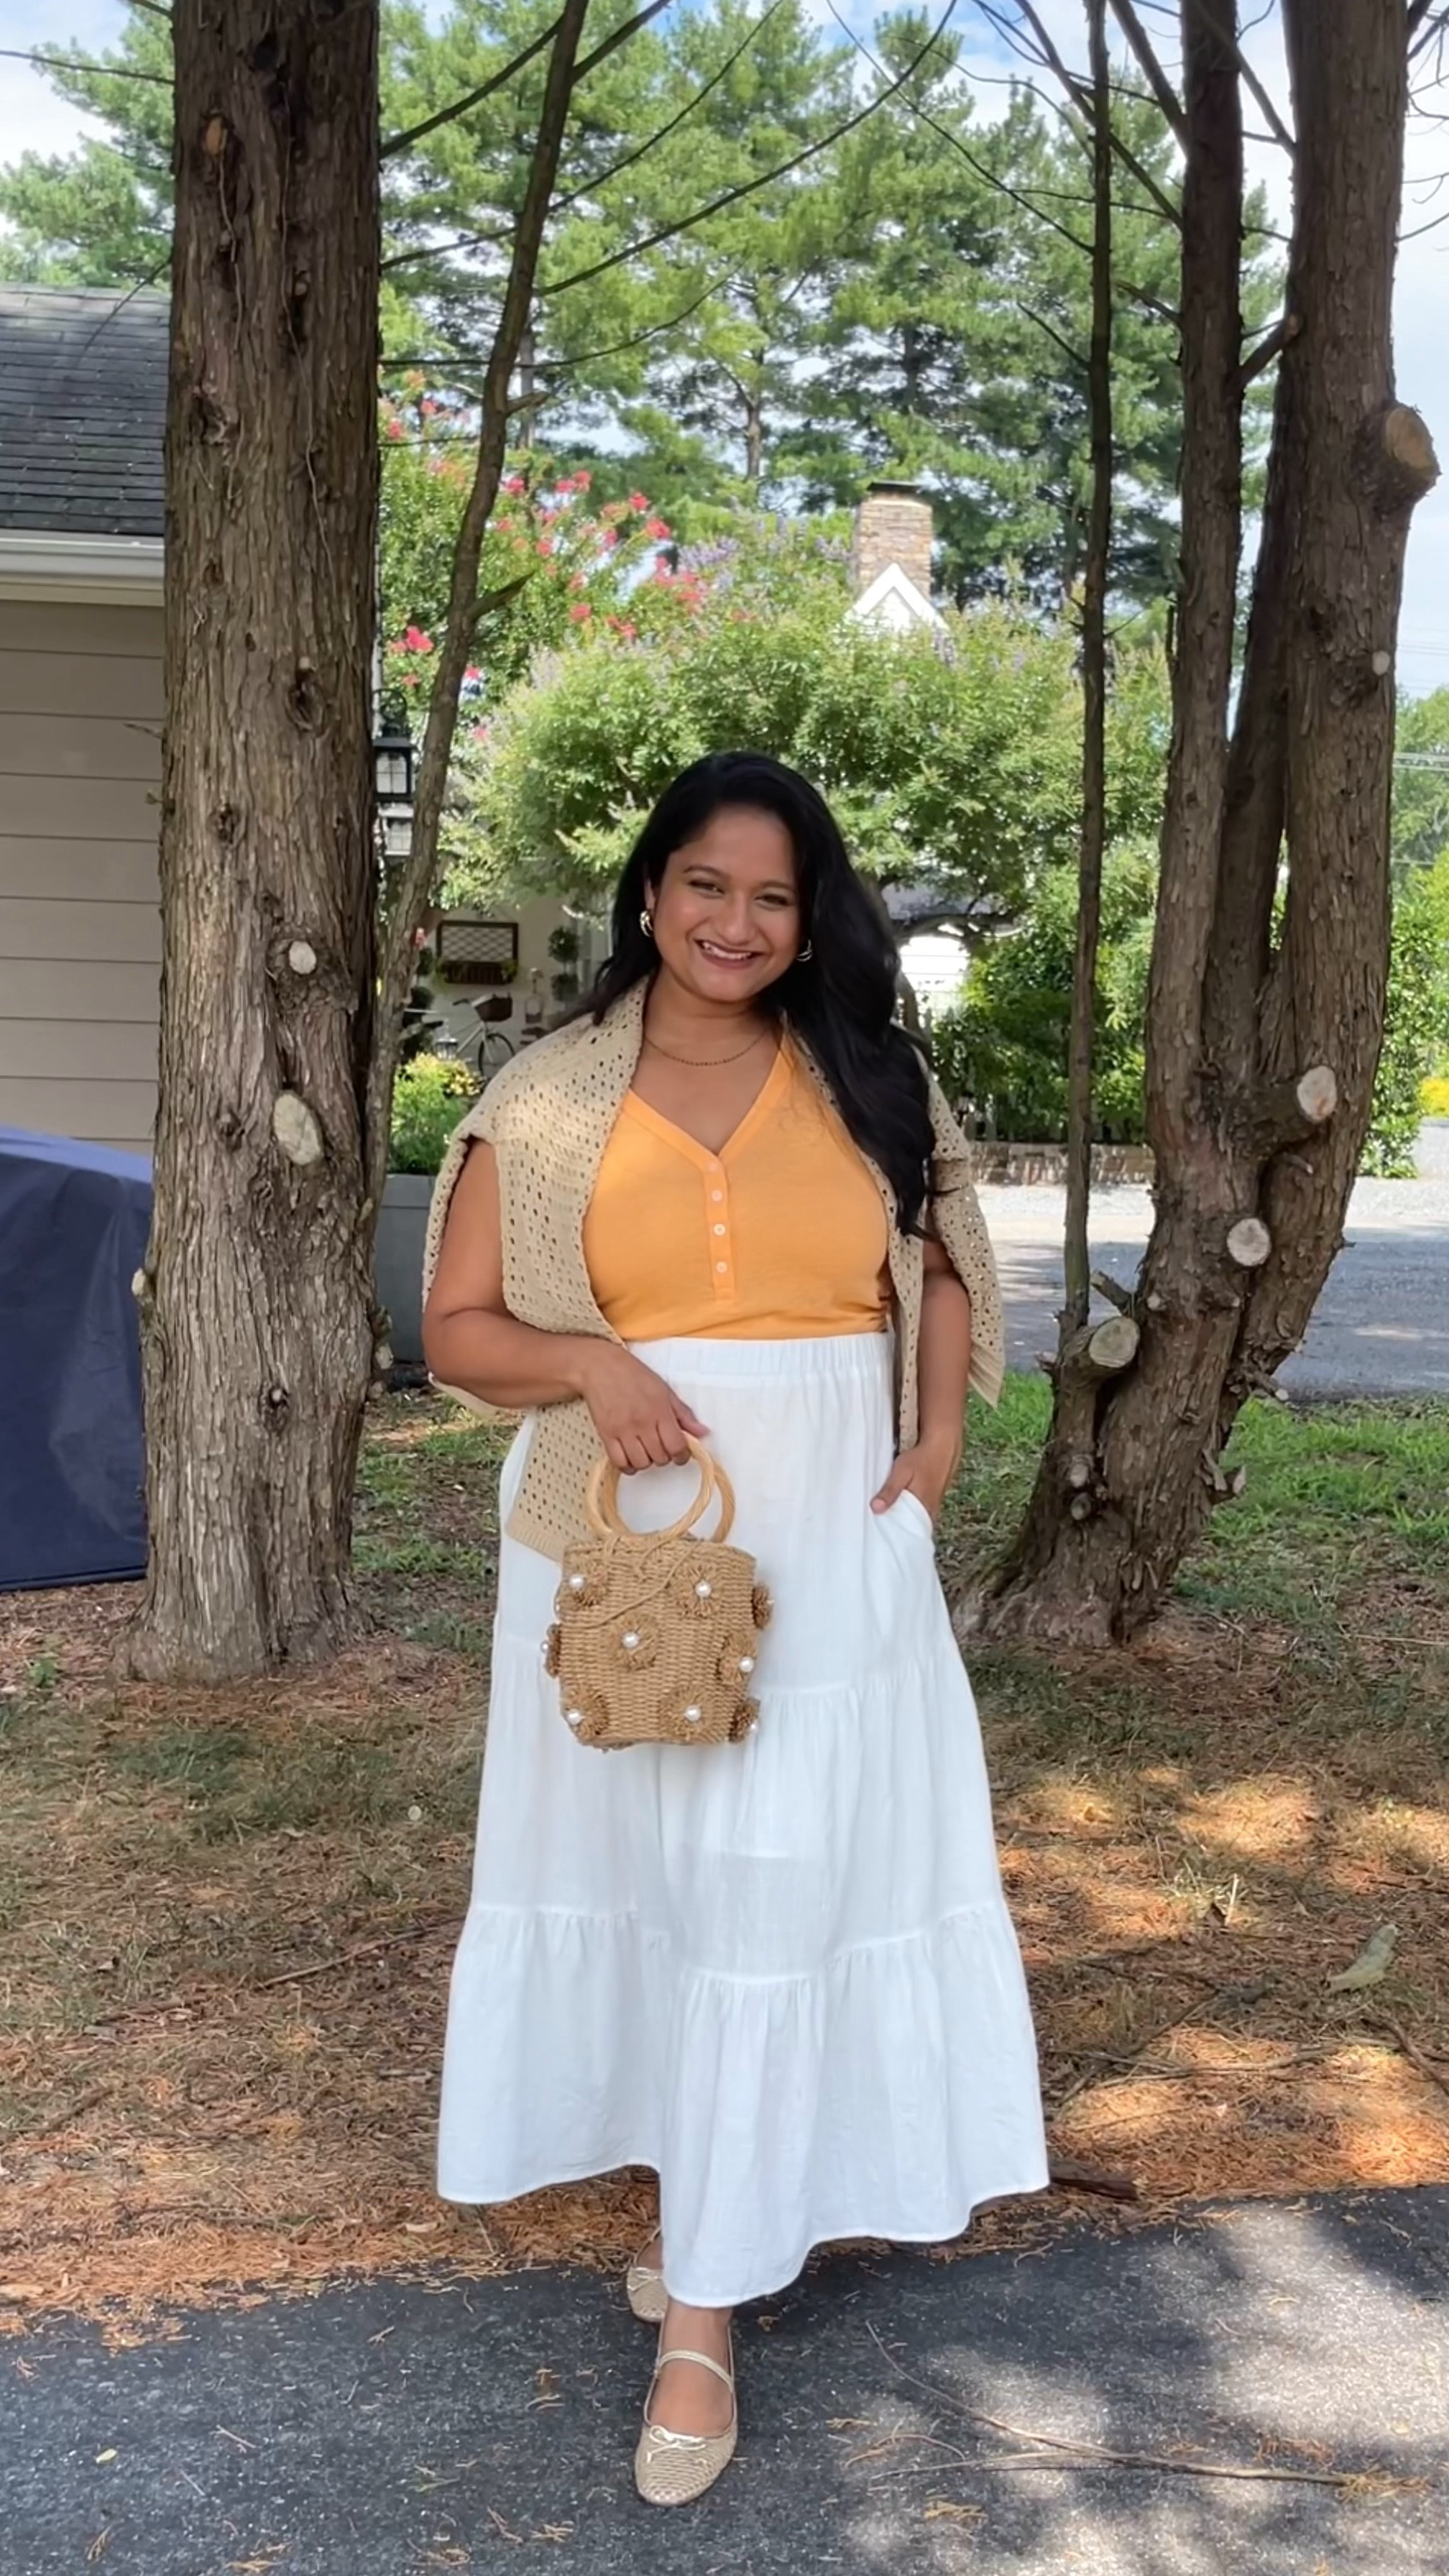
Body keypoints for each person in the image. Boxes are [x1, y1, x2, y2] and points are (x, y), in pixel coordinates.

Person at [422, 752, 1047, 2508]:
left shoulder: (868, 1070)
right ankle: (709, 2210)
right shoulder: (549, 1095)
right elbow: (458, 1327)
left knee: (772, 1884)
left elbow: (941, 1267)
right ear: (652, 891)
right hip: (629, 1536)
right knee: (662, 1883)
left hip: (837, 1533)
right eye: (707, 883)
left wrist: (934, 1448)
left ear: (809, 915)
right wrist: (590, 1363)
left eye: (774, 895)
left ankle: (698, 2306)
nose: (736, 921)